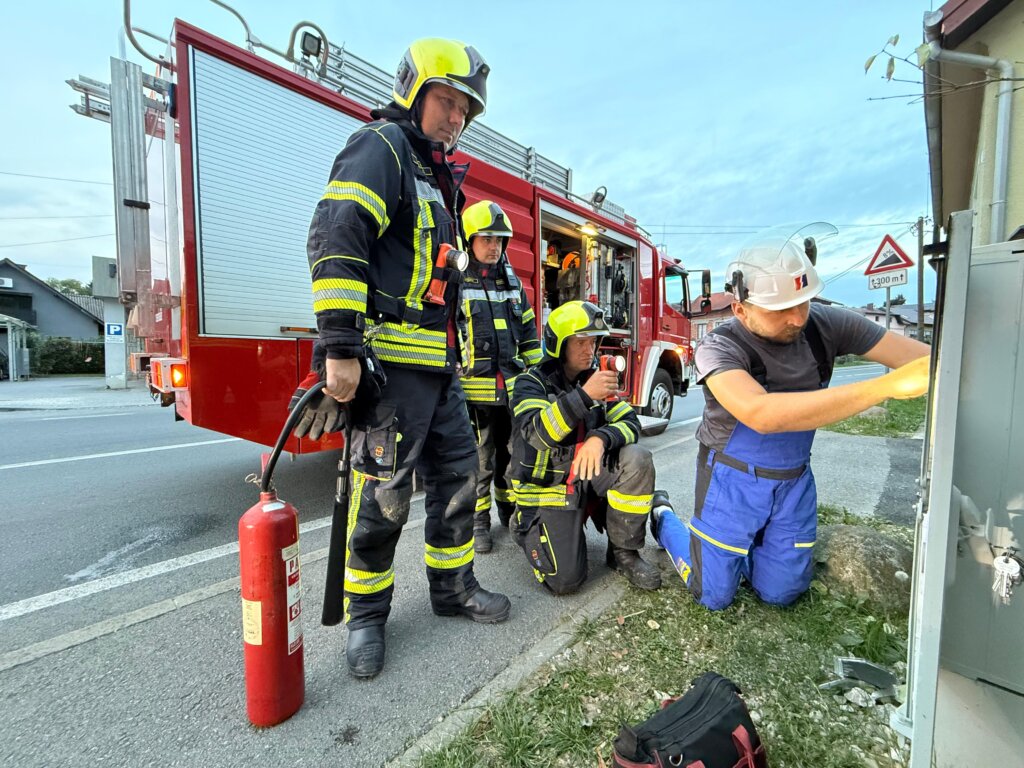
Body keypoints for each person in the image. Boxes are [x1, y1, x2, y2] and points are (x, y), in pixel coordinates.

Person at [295, 38, 510, 679]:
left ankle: (452, 588)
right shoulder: (381, 147)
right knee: (383, 498)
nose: (456, 119)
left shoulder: (435, 176)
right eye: (447, 102)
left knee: (459, 481)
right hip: (389, 370)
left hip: (440, 372)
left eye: (465, 110)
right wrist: (339, 347)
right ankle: (366, 619)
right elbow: (337, 235)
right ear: (414, 93)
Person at [650, 228, 931, 611]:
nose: (797, 317)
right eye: (780, 309)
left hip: (793, 480)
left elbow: (925, 359)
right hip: (731, 481)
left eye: (803, 301)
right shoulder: (718, 347)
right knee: (713, 595)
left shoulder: (827, 324)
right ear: (741, 309)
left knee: (780, 593)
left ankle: (747, 548)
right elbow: (761, 414)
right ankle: (664, 518)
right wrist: (885, 387)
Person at [508, 300, 666, 594]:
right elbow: (537, 435)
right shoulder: (530, 383)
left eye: (593, 341)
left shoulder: (594, 377)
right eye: (580, 342)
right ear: (558, 345)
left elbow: (630, 423)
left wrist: (600, 438)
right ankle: (525, 522)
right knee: (565, 582)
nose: (589, 349)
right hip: (548, 488)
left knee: (637, 459)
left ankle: (623, 553)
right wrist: (584, 395)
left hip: (585, 476)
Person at [458, 200, 543, 553]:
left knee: (512, 456)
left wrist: (539, 379)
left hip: (510, 391)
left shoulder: (512, 284)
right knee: (480, 461)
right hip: (472, 395)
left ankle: (507, 510)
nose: (494, 247)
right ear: (469, 240)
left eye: (499, 240)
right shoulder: (455, 282)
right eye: (486, 239)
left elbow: (529, 334)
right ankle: (479, 522)